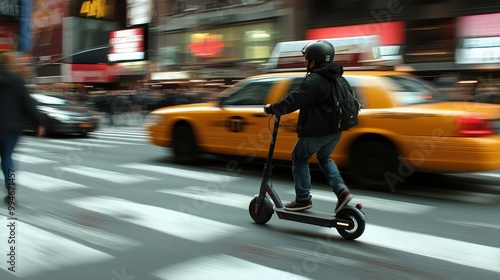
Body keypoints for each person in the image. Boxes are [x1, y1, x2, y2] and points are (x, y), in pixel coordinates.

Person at [263, 40, 353, 213]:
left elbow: (294, 99)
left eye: (307, 59)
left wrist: (273, 108)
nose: (306, 63)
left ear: (313, 61)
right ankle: (341, 190)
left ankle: (303, 199)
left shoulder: (315, 80)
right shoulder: (339, 78)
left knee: (299, 157)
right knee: (324, 158)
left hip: (318, 131)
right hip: (336, 130)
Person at [0, 52, 45, 204]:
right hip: (13, 126)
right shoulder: (17, 81)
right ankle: (11, 189)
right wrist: (38, 123)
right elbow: (28, 104)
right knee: (7, 157)